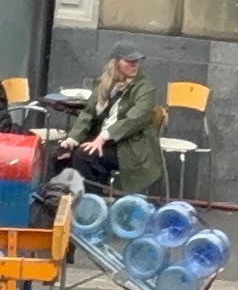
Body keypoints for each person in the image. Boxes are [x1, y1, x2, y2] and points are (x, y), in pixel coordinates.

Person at [54, 41, 163, 194]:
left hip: (130, 146)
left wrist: (103, 137)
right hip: (104, 141)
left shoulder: (145, 87)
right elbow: (88, 113)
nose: (134, 65)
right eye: (129, 61)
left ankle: (92, 202)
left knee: (84, 156)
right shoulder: (103, 82)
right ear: (116, 62)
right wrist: (72, 139)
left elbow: (134, 119)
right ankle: (64, 199)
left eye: (136, 61)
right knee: (61, 155)